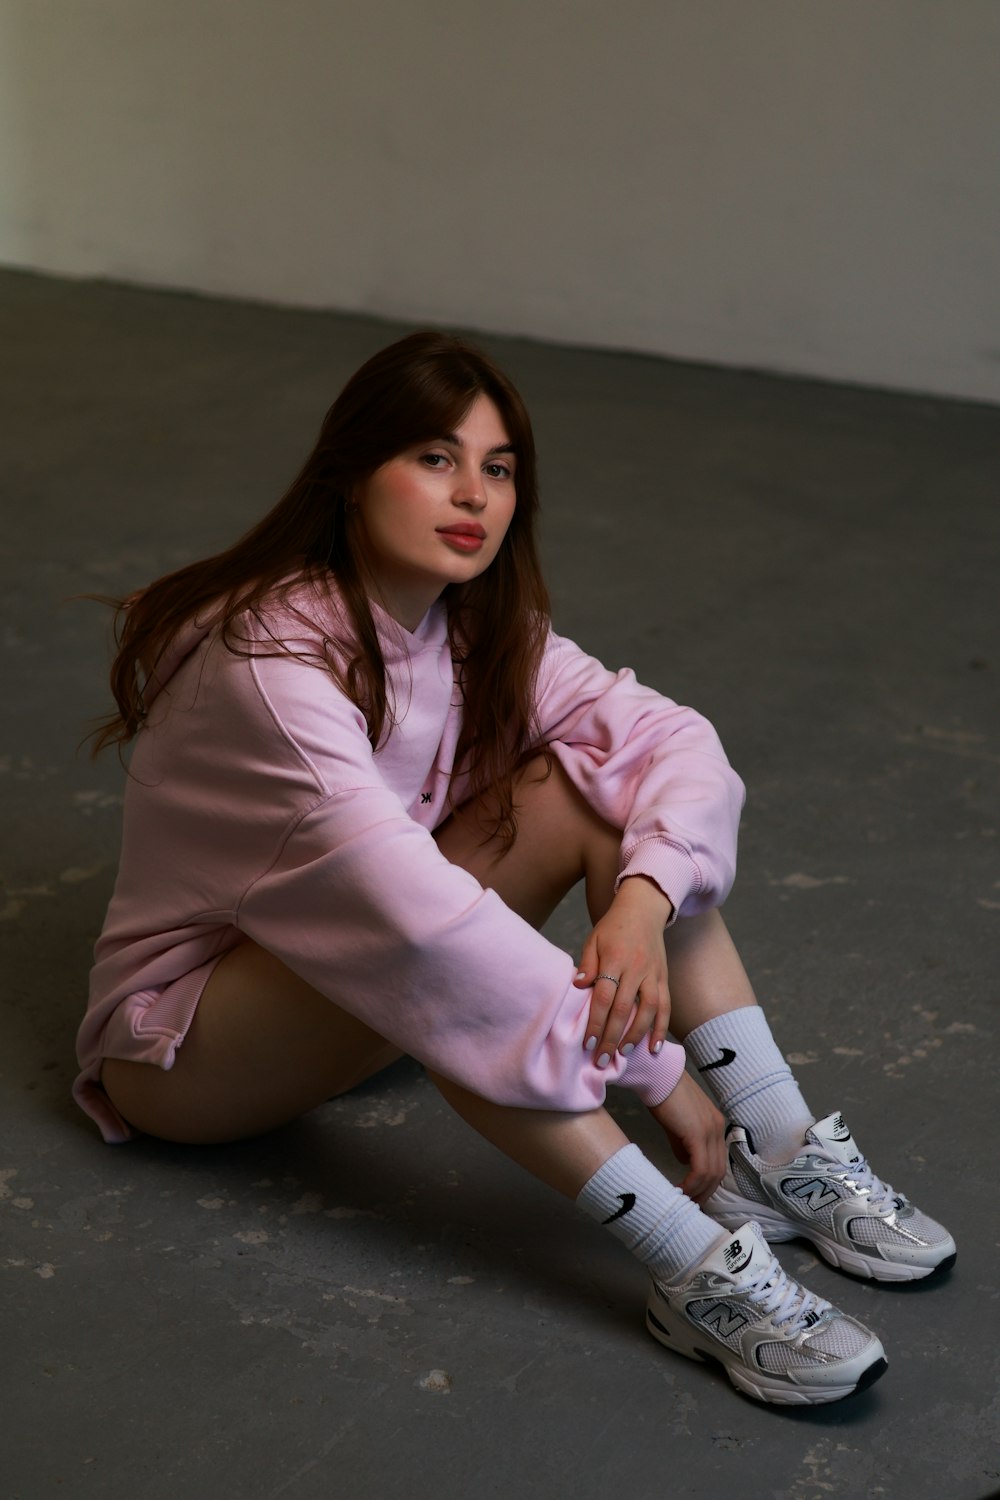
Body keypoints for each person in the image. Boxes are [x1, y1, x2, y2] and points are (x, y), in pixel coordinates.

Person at [75, 331, 954, 1407]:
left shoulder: (474, 632)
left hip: (358, 980)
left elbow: (675, 742)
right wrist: (654, 1071)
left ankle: (774, 1144)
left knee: (598, 790)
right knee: (448, 961)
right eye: (436, 459)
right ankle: (693, 1267)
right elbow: (413, 918)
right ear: (352, 474)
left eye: (498, 469)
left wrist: (639, 901)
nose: (474, 495)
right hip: (195, 1048)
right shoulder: (270, 664)